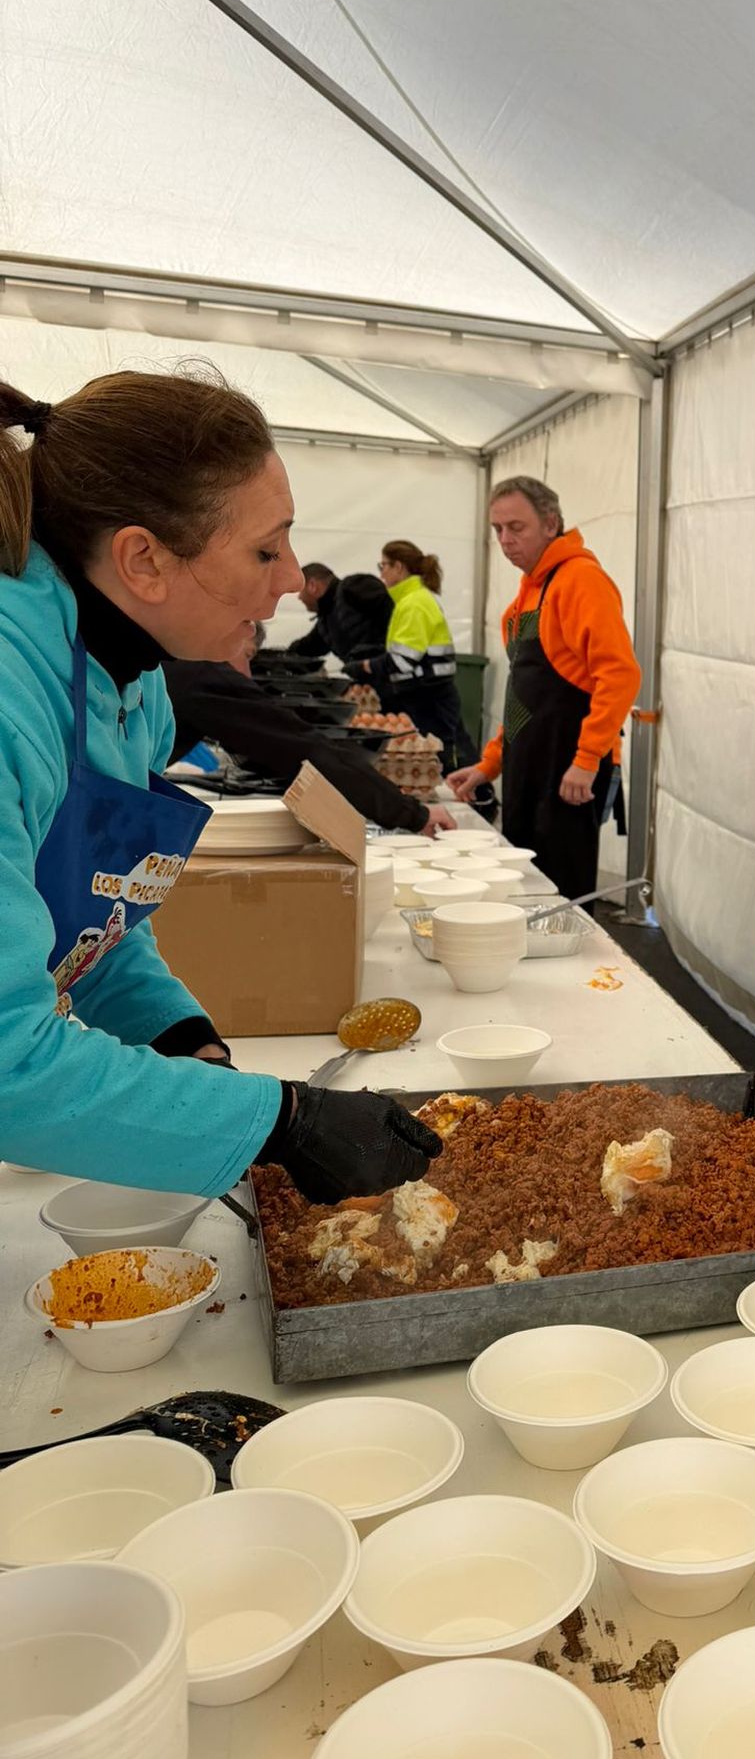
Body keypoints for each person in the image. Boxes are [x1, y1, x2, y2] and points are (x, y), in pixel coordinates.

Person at [0, 371, 440, 1204]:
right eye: (264, 550)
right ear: (144, 560)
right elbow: (5, 1059)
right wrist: (281, 1121)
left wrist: (176, 1034)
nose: (287, 582)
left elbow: (95, 906)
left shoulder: (129, 682)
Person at [447, 476, 640, 899]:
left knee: (562, 892)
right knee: (526, 882)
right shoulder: (525, 597)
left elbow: (620, 674)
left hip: (569, 769)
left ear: (550, 524)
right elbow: (523, 699)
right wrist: (490, 764)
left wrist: (587, 759)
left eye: (516, 528)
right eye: (498, 530)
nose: (505, 540)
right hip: (527, 766)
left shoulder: (581, 581)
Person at [161, 652, 456, 836]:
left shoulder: (169, 663)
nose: (248, 674)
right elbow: (307, 750)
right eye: (249, 655)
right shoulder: (199, 672)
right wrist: (414, 814)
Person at [354, 541, 475, 772]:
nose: (381, 574)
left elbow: (401, 661)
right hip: (427, 695)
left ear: (399, 567)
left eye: (383, 566)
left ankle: (480, 801)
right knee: (446, 753)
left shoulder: (414, 604)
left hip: (430, 698)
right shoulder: (411, 600)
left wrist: (366, 666)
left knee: (448, 759)